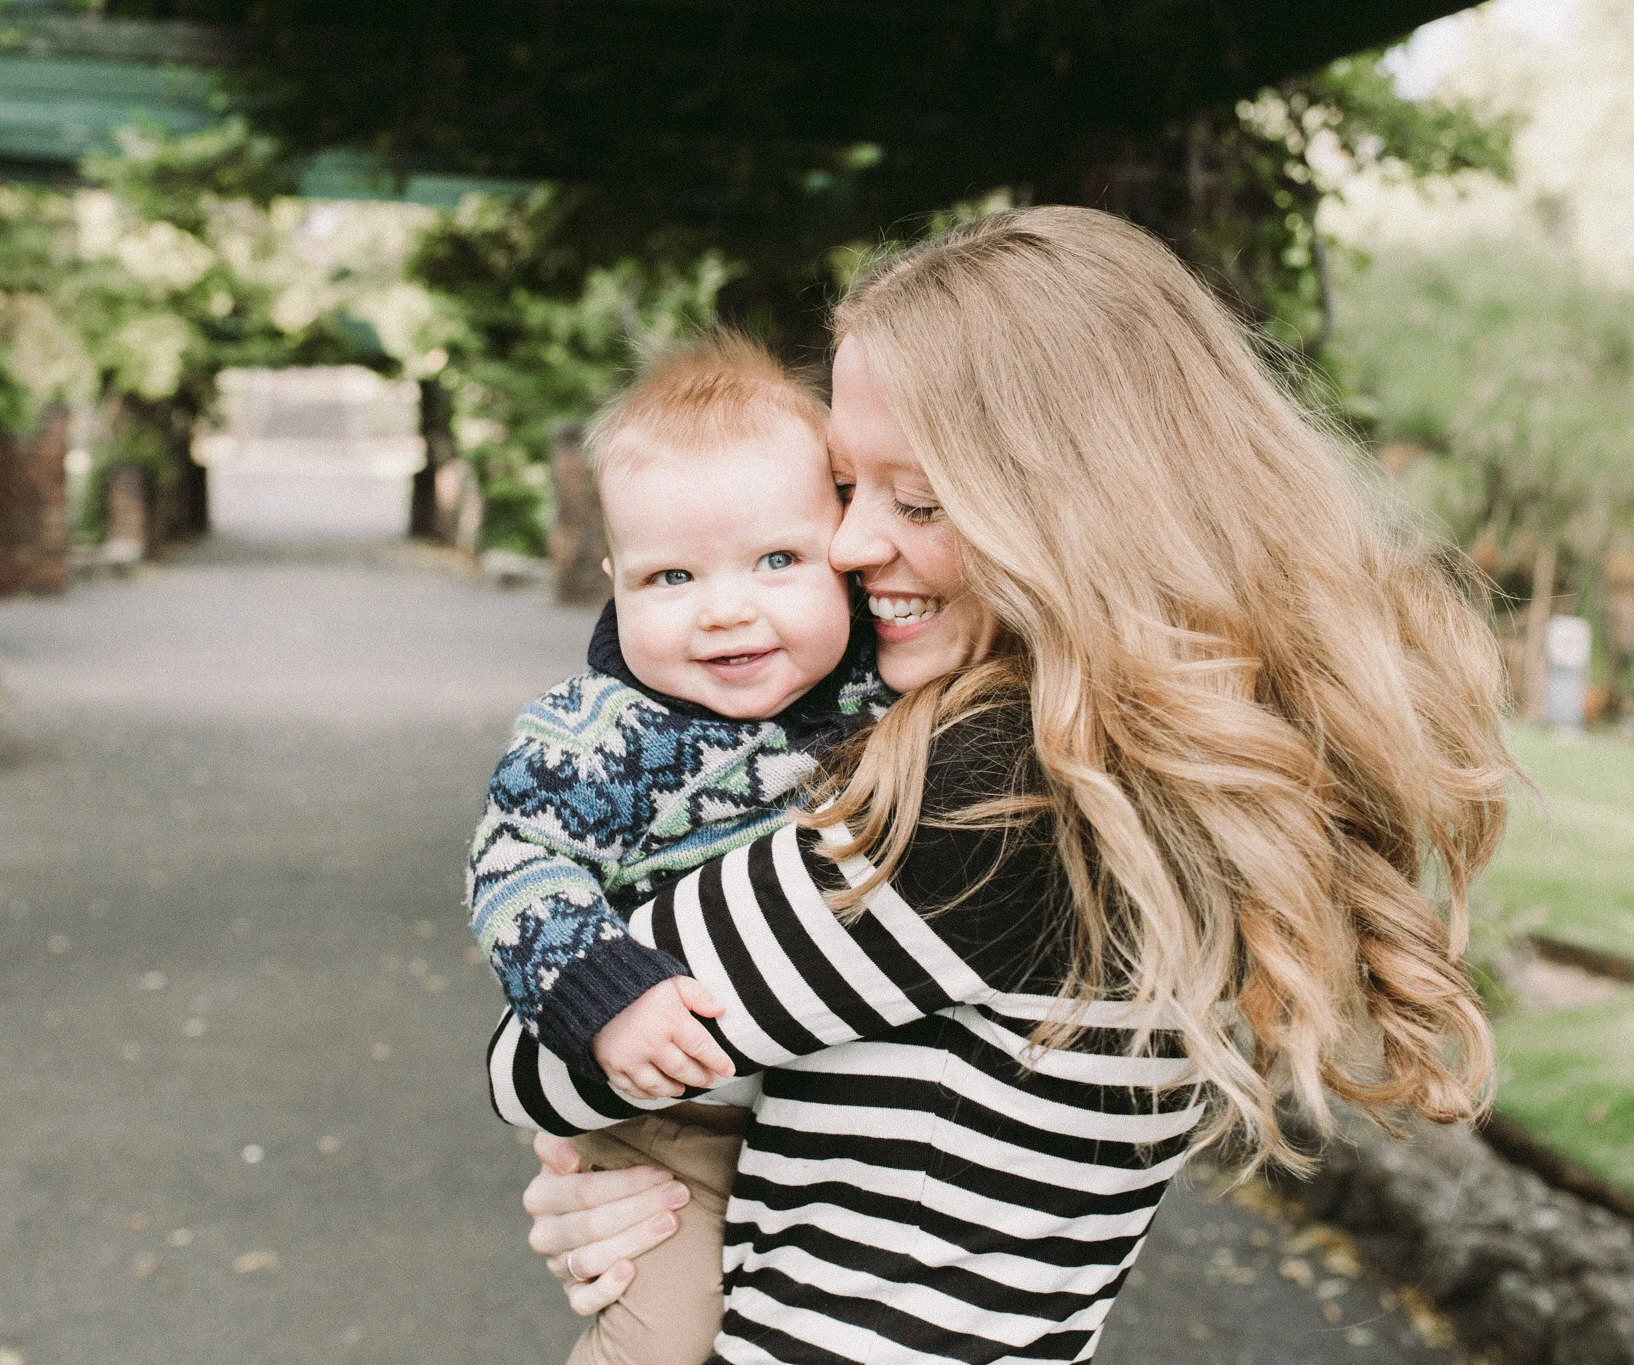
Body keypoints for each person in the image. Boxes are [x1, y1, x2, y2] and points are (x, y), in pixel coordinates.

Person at [496, 205, 1516, 1365]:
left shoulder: (994, 797)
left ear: (1068, 506)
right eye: (844, 490)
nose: (845, 545)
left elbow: (537, 1062)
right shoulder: (1153, 764)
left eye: (916, 502)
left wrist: (624, 1158)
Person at [468, 332, 889, 1365]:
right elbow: (517, 862)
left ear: (841, 550)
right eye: (670, 576)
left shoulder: (896, 706)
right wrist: (601, 988)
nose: (726, 609)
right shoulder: (596, 731)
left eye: (777, 560)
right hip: (675, 1125)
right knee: (661, 1340)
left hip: (834, 1115)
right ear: (613, 580)